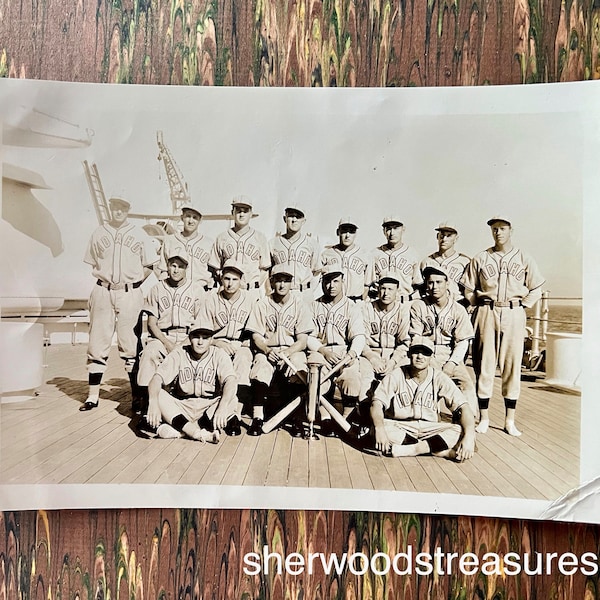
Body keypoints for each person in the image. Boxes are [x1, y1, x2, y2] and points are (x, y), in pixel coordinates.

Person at [461, 216, 545, 436]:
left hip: (513, 311)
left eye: (502, 228)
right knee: (484, 365)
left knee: (511, 365)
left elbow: (536, 287)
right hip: (486, 310)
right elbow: (468, 289)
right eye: (494, 229)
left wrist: (523, 305)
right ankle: (484, 418)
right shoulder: (480, 257)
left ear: (511, 231)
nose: (498, 232)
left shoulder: (524, 257)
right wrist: (477, 305)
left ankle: (510, 420)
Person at [81, 196, 158, 411]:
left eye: (123, 207)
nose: (118, 211)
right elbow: (92, 262)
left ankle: (135, 396)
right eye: (115, 207)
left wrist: (133, 284)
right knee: (97, 342)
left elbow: (150, 264)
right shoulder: (99, 233)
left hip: (130, 293)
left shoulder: (138, 233)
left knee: (130, 344)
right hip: (103, 290)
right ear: (110, 209)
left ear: (128, 209)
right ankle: (92, 396)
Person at [370, 337, 476, 461]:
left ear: (431, 357)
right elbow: (376, 403)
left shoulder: (439, 377)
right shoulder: (396, 374)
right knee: (377, 428)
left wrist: (469, 436)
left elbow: (464, 407)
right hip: (401, 426)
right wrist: (380, 429)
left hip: (430, 428)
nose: (420, 356)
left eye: (425, 353)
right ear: (409, 354)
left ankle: (414, 449)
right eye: (416, 352)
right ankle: (437, 450)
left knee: (461, 431)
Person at [245, 264, 314, 436]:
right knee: (260, 367)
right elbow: (256, 337)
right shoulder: (262, 304)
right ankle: (257, 418)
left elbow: (303, 341)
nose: (282, 285)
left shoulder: (300, 305)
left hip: (292, 351)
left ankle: (297, 418)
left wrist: (288, 353)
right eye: (278, 281)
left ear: (292, 283)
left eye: (286, 281)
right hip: (268, 349)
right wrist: (268, 351)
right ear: (271, 282)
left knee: (299, 367)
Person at [136, 249, 204, 414]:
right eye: (173, 265)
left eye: (180, 266)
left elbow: (200, 324)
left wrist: (182, 344)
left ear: (186, 267)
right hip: (162, 336)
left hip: (189, 337)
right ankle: (147, 405)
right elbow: (152, 323)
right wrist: (167, 344)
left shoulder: (197, 289)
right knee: (149, 353)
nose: (176, 270)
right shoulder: (156, 289)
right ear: (167, 266)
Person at [146, 320, 239, 440]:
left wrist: (222, 407)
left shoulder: (219, 355)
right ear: (189, 338)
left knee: (232, 399)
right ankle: (197, 433)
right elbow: (156, 378)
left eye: (205, 338)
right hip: (183, 405)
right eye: (196, 337)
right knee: (159, 395)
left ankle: (182, 430)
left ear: (212, 339)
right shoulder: (179, 353)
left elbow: (230, 381)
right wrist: (153, 403)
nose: (200, 342)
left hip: (209, 406)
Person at [410, 265, 478, 417]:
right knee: (427, 383)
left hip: (449, 352)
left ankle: (467, 421)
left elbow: (463, 342)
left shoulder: (458, 309)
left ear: (447, 284)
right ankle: (427, 417)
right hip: (425, 352)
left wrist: (452, 363)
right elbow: (416, 337)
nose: (434, 286)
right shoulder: (418, 306)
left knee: (466, 384)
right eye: (430, 282)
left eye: (439, 282)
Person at [196, 259, 254, 433]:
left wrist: (243, 344)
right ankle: (222, 412)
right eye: (227, 278)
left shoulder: (250, 299)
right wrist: (216, 342)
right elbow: (201, 330)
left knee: (243, 359)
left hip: (240, 343)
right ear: (221, 278)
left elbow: (254, 332)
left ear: (241, 280)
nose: (230, 283)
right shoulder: (210, 298)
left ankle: (235, 413)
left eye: (234, 279)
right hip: (216, 343)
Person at [307, 263, 366, 435]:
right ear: (321, 282)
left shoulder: (352, 307)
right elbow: (307, 336)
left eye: (335, 281)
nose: (331, 286)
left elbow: (359, 336)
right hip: (321, 351)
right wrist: (323, 351)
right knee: (317, 376)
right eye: (327, 281)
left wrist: (351, 355)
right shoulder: (313, 306)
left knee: (352, 377)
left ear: (342, 281)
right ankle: (325, 418)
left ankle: (346, 419)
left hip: (344, 352)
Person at [359, 271, 410, 401]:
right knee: (364, 377)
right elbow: (361, 339)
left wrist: (393, 361)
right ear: (378, 289)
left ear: (397, 291)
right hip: (370, 353)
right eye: (383, 288)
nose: (386, 293)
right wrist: (372, 358)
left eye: (390, 289)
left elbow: (405, 342)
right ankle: (362, 412)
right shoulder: (367, 308)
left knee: (403, 375)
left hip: (394, 354)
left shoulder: (403, 310)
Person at [208, 197, 271, 296]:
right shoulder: (221, 238)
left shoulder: (260, 238)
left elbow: (265, 269)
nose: (241, 214)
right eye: (238, 211)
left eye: (245, 211)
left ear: (251, 214)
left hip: (251, 291)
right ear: (232, 212)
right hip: (228, 292)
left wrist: (255, 284)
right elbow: (215, 267)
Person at [157, 203, 214, 290]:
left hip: (200, 290)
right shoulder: (170, 240)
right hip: (174, 290)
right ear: (182, 217)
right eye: (188, 216)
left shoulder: (209, 243)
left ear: (200, 220)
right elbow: (164, 270)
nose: (191, 221)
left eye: (195, 217)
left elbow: (213, 272)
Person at [269, 205, 321, 300]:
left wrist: (309, 290)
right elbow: (267, 272)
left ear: (303, 221)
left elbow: (316, 272)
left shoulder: (312, 244)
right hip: (280, 294)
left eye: (298, 217)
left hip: (304, 293)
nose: (294, 220)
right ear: (285, 219)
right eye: (291, 216)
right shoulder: (273, 243)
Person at [370, 215, 422, 302]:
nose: (392, 232)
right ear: (384, 231)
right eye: (388, 228)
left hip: (405, 303)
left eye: (396, 228)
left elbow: (419, 286)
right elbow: (369, 285)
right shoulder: (374, 254)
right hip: (380, 304)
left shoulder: (412, 254)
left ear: (403, 229)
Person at [320, 217, 371, 301]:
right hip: (332, 301)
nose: (347, 235)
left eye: (351, 231)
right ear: (338, 232)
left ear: (356, 234)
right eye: (344, 231)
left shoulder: (365, 255)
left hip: (355, 301)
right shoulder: (326, 254)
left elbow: (367, 285)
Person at [420, 222, 470, 305]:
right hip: (432, 305)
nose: (444, 239)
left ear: (456, 239)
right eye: (442, 235)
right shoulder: (427, 261)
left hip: (457, 304)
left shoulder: (465, 261)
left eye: (449, 235)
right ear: (437, 237)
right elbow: (421, 288)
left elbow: (470, 290)